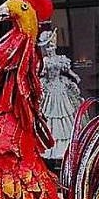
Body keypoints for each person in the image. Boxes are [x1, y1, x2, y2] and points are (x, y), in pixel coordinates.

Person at [38, 28, 83, 160]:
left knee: (65, 114)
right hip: (50, 88)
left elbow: (68, 71)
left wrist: (75, 76)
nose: (50, 49)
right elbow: (41, 73)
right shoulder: (45, 61)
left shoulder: (60, 59)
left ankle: (64, 149)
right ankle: (50, 147)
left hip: (61, 87)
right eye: (48, 46)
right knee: (50, 115)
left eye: (52, 46)